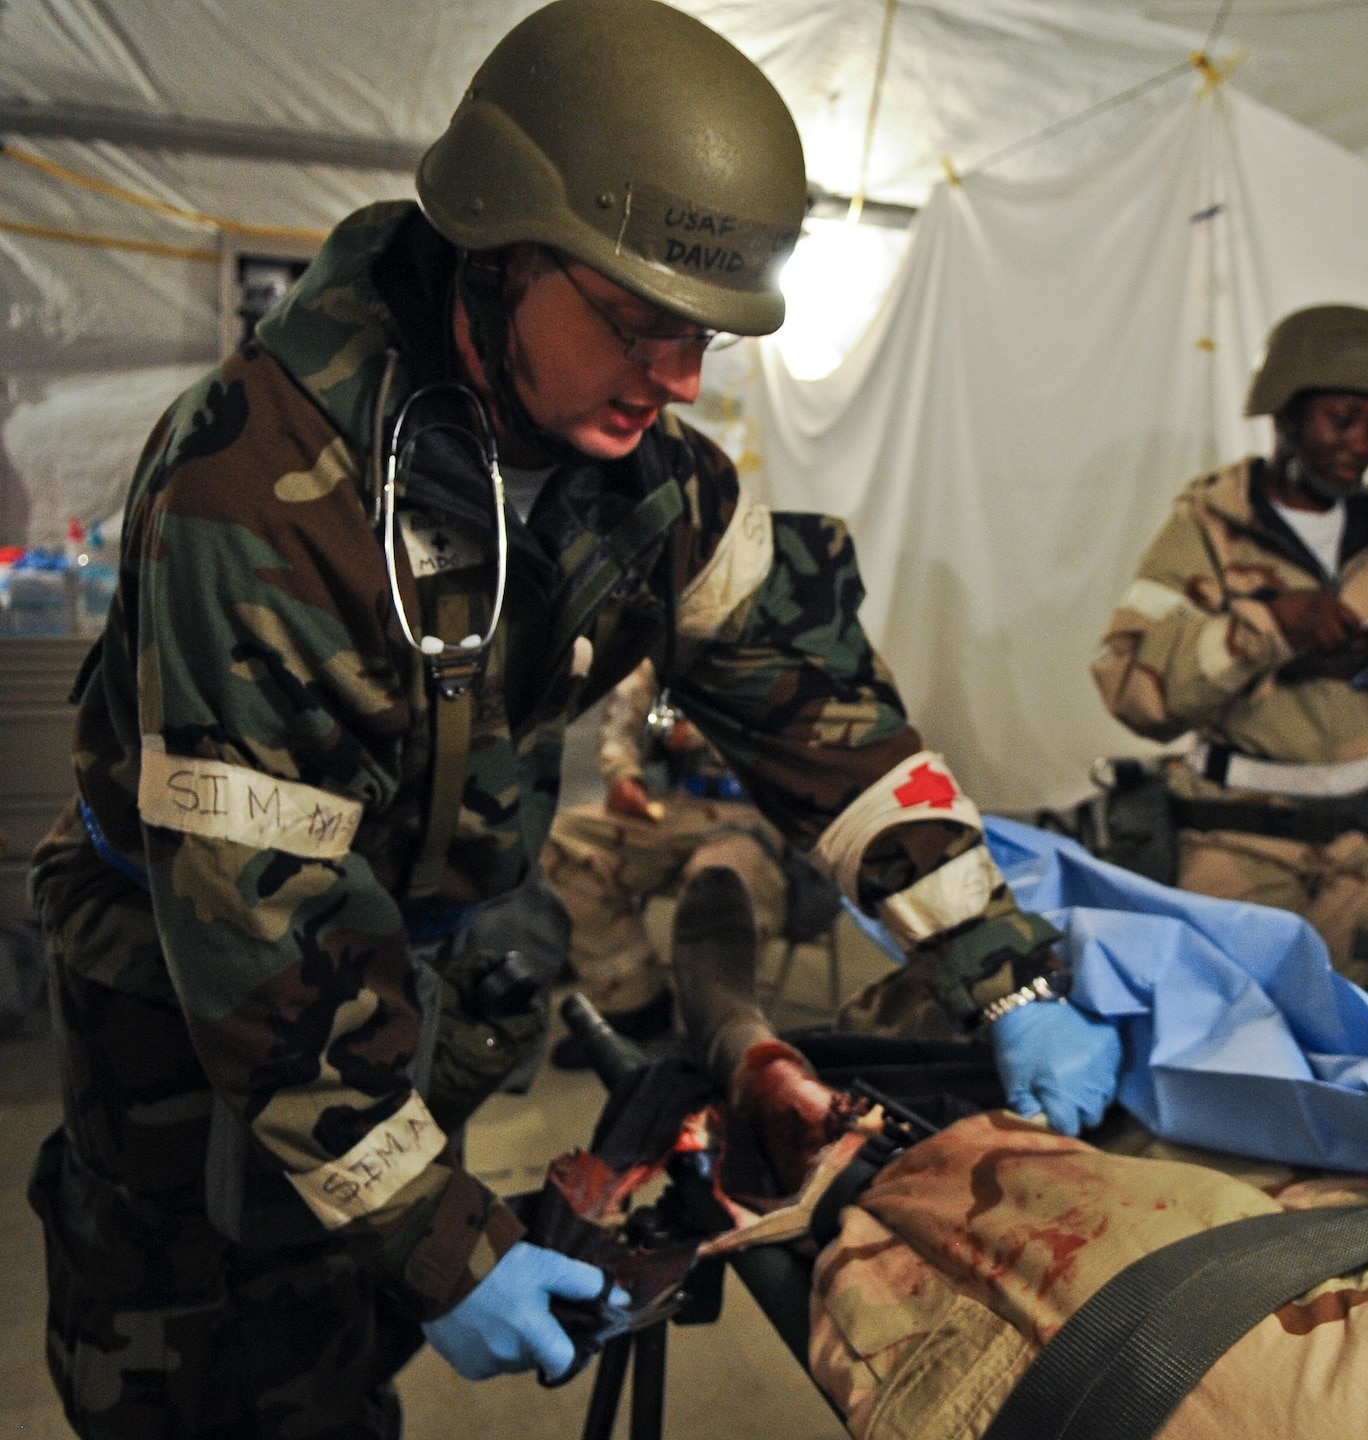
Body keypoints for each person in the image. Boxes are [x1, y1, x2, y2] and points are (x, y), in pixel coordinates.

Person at [24, 2, 1117, 1434]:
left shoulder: (646, 478)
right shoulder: (263, 493)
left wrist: (1003, 971)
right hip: (192, 1008)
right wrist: (445, 1239)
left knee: (344, 1362)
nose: (679, 381)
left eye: (704, 337)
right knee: (198, 1385)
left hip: (395, 989)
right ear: (505, 251)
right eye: (639, 326)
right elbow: (257, 919)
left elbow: (823, 722)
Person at [1091, 305, 1368, 998]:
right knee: (1229, 1042)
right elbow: (1128, 683)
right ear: (1283, 414)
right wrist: (1261, 626)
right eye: (1341, 420)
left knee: (1349, 1048)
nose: (1360, 446)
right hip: (1241, 845)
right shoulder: (1208, 531)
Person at [540, 657, 794, 1064]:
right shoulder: (675, 648)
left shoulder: (790, 657)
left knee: (719, 879)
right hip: (680, 806)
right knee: (561, 841)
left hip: (756, 815)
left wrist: (697, 733)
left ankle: (713, 1035)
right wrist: (624, 776)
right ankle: (633, 1009)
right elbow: (621, 720)